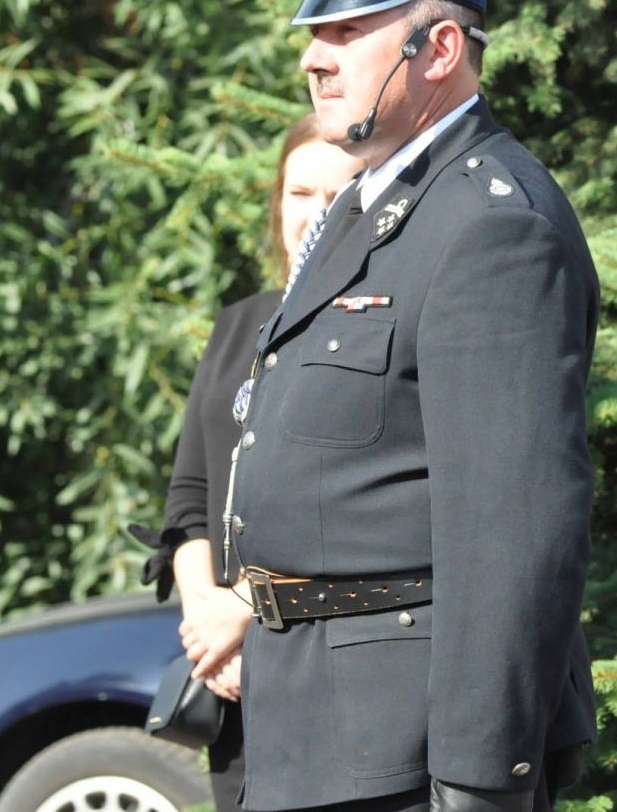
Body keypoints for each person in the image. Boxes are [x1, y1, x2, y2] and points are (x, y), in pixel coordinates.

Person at [184, 0, 600, 812]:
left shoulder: (491, 222)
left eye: (348, 28)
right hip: (308, 727)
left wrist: (481, 776)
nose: (312, 56)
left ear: (439, 50)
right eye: (312, 29)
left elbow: (513, 531)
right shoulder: (368, 207)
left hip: (409, 751)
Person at [151, 114, 358, 810]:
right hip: (232, 683)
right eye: (299, 193)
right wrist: (208, 617)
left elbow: (364, 505)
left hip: (332, 668)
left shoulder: (376, 328)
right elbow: (188, 497)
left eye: (340, 194)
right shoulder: (241, 322)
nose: (316, 214)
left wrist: (244, 608)